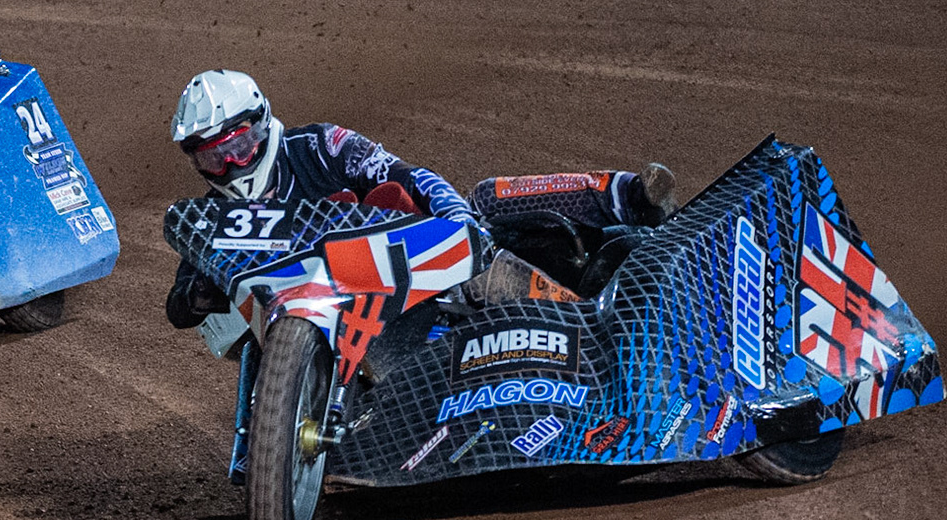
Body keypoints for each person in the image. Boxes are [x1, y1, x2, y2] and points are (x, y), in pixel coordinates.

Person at [162, 69, 675, 329]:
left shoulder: (319, 146)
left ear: (263, 124)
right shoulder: (213, 217)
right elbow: (178, 304)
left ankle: (626, 197)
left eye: (240, 146)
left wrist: (452, 218)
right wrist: (199, 293)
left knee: (482, 201)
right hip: (337, 318)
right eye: (214, 158)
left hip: (410, 268)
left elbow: (406, 175)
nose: (231, 165)